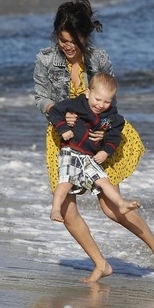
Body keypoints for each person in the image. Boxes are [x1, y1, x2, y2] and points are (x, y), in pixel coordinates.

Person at [34, 0, 154, 284]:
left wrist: (102, 130)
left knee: (110, 206)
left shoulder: (99, 59)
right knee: (64, 208)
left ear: (85, 36)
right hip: (63, 138)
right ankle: (101, 264)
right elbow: (41, 99)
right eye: (63, 39)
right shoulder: (45, 59)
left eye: (74, 40)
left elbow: (110, 105)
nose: (68, 46)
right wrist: (59, 114)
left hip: (99, 136)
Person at [48, 72, 140, 223]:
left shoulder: (111, 117)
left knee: (103, 180)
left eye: (106, 102)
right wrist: (63, 128)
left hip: (90, 156)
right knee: (66, 181)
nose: (100, 105)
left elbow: (114, 136)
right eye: (97, 99)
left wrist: (105, 151)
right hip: (71, 151)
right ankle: (56, 208)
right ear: (88, 93)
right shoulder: (77, 104)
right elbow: (54, 111)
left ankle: (121, 203)